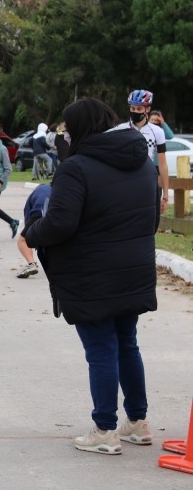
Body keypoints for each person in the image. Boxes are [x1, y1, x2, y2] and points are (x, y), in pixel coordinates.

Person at [26, 97, 157, 455]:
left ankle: (104, 428)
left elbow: (60, 224)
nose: (63, 136)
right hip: (134, 269)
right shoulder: (144, 162)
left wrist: (31, 231)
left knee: (101, 348)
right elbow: (153, 220)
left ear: (78, 129)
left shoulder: (77, 167)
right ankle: (137, 421)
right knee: (126, 343)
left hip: (92, 275)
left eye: (66, 128)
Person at [124, 89, 168, 229]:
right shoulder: (121, 129)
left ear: (147, 109)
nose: (135, 111)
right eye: (132, 108)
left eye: (139, 108)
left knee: (151, 223)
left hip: (149, 181)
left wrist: (165, 195)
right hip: (127, 180)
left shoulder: (158, 132)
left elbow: (163, 164)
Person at [15, 183, 51, 278]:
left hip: (37, 213)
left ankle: (32, 264)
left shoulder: (37, 191)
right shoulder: (57, 189)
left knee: (22, 240)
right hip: (53, 214)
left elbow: (28, 213)